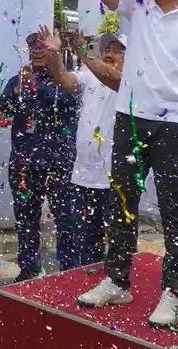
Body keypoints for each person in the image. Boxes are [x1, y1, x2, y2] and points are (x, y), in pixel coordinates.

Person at [37, 0, 178, 327]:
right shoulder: (138, 5)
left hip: (174, 126)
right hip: (130, 120)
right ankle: (118, 280)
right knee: (122, 204)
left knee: (174, 211)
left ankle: (174, 292)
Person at [0, 29, 80, 278]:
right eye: (33, 47)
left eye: (43, 46)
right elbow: (2, 113)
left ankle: (69, 272)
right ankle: (29, 269)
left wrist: (37, 90)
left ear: (55, 51)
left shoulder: (67, 79)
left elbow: (68, 105)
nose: (37, 51)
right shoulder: (18, 79)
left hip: (58, 162)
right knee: (26, 219)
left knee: (65, 220)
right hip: (24, 163)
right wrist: (17, 91)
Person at [43, 28, 125, 267]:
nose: (110, 54)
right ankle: (87, 277)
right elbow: (64, 80)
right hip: (84, 175)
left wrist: (82, 53)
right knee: (87, 237)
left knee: (117, 238)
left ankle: (115, 281)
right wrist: (56, 54)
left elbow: (115, 78)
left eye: (117, 50)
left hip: (114, 178)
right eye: (107, 49)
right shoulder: (88, 75)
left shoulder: (132, 80)